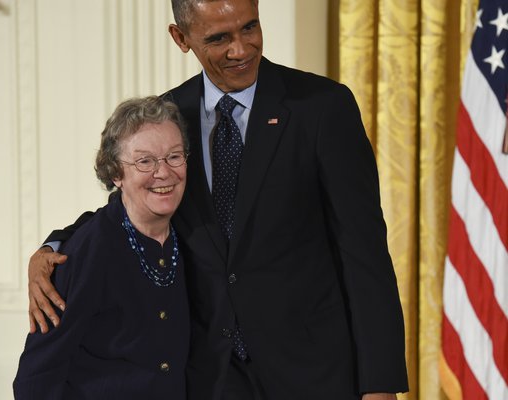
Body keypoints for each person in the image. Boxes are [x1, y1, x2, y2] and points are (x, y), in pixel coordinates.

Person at [27, 0, 410, 399]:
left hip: (315, 373)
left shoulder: (321, 107)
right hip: (213, 377)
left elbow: (364, 251)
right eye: (219, 38)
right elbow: (127, 205)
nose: (241, 49)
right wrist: (53, 247)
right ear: (181, 38)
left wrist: (379, 385)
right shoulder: (170, 115)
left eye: (250, 28)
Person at [14, 96, 191, 399]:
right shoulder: (86, 251)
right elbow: (38, 375)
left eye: (174, 156)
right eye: (144, 161)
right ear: (116, 174)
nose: (163, 172)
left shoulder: (190, 228)